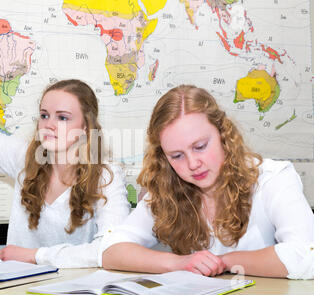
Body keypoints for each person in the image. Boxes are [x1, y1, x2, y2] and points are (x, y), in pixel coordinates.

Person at [0, 24, 130, 268]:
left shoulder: (106, 176)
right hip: (15, 289)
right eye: (44, 115)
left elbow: (111, 250)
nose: (49, 125)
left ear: (85, 127)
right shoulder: (23, 158)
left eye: (62, 117)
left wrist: (35, 256)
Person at [101, 84, 314, 279]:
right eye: (177, 156)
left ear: (223, 133)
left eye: (200, 146)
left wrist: (225, 262)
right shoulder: (166, 188)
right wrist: (181, 263)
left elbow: (306, 254)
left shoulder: (273, 178)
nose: (193, 164)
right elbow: (111, 250)